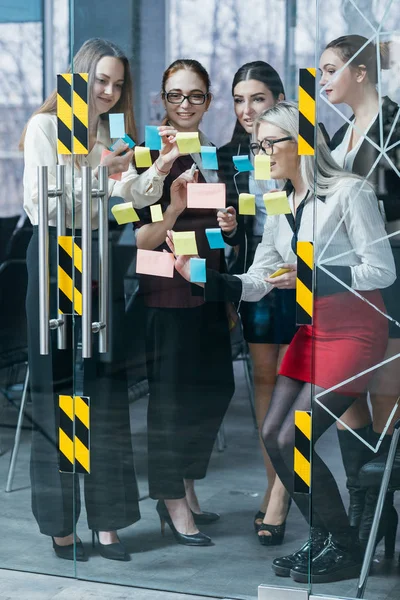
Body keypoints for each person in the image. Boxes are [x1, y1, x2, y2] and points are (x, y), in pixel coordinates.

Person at [166, 101, 395, 582]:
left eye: (271, 143)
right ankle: (326, 536)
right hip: (312, 330)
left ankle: (344, 545)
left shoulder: (349, 193)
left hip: (356, 330)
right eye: (257, 144)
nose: (262, 151)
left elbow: (381, 271)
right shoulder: (279, 204)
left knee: (294, 435)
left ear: (303, 145)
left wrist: (312, 275)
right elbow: (257, 279)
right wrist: (204, 277)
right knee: (273, 436)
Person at [21, 38, 165, 562]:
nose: (108, 91)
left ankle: (107, 522)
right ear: (79, 76)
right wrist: (100, 172)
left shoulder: (111, 134)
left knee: (105, 387)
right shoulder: (45, 127)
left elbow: (129, 203)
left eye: (118, 83)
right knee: (55, 389)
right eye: (101, 80)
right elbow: (43, 205)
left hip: (99, 256)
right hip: (56, 256)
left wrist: (157, 171)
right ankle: (61, 524)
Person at [132, 59, 235, 546]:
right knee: (170, 405)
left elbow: (211, 223)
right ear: (163, 100)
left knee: (214, 391)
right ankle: (172, 501)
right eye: (176, 96)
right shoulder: (148, 155)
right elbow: (141, 240)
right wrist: (173, 207)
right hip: (166, 295)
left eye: (195, 96)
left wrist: (227, 228)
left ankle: (188, 485)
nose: (185, 105)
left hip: (208, 289)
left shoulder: (211, 152)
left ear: (208, 100)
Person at [319, 34, 400, 550]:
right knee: (349, 398)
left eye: (330, 69)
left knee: (385, 399)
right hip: (348, 284)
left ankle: (376, 516)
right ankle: (363, 514)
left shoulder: (393, 125)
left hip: (390, 277)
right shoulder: (341, 133)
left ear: (362, 72)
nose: (323, 80)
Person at [217, 61, 295, 545]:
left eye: (258, 99)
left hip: (301, 279)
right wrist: (228, 229)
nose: (247, 110)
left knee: (297, 383)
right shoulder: (227, 156)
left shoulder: (300, 144)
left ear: (278, 100)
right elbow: (227, 229)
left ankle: (285, 493)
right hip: (257, 280)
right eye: (239, 100)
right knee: (265, 383)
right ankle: (274, 486)